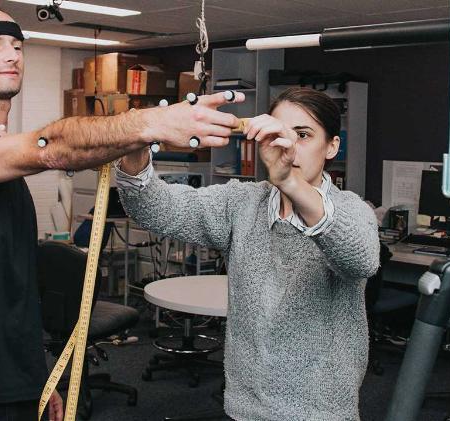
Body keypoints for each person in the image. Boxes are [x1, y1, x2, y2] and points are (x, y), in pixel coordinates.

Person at [0, 3, 243, 421]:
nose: (11, 55)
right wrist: (148, 122)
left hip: (11, 379)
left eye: (16, 45)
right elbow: (55, 147)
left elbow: (7, 289)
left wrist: (36, 382)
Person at [116, 87, 381, 420]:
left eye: (302, 135)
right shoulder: (242, 204)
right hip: (246, 409)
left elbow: (361, 259)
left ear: (331, 146)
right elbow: (154, 208)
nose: (288, 146)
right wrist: (139, 135)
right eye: (278, 134)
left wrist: (290, 182)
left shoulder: (351, 210)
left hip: (321, 412)